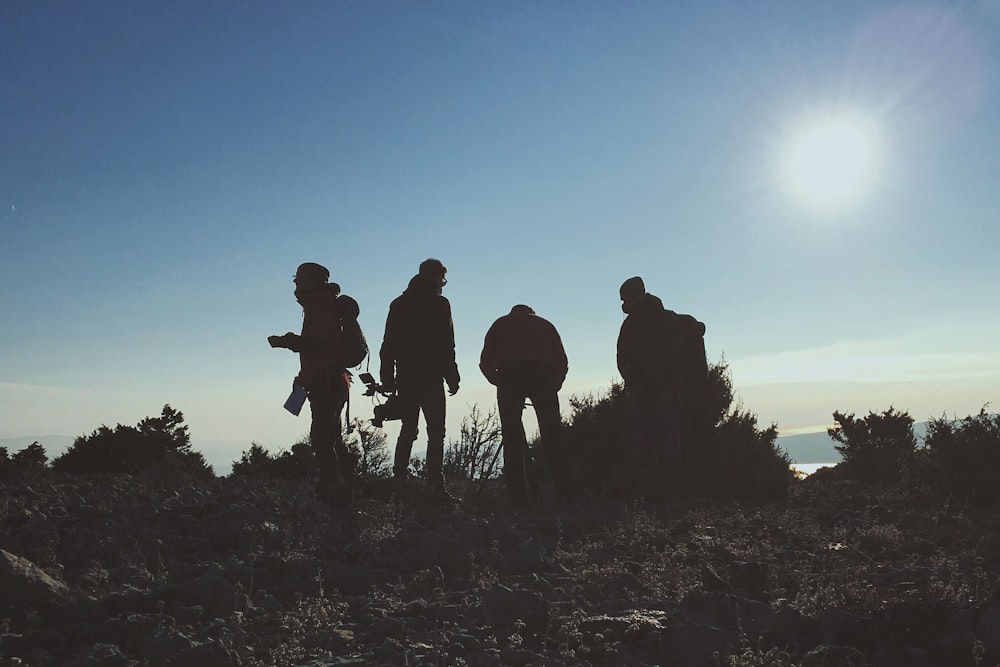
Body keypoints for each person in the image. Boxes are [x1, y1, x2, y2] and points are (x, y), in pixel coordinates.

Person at [268, 262, 355, 507]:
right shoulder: (319, 306)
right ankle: (345, 482)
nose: (296, 282)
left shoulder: (321, 308)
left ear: (316, 281)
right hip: (329, 379)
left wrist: (287, 341)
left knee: (321, 438)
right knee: (332, 436)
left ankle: (333, 488)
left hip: (326, 380)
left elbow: (318, 344)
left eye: (301, 278)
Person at [616, 276, 707, 495]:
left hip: (652, 388)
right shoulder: (670, 319)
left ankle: (651, 490)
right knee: (667, 436)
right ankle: (669, 490)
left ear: (635, 297)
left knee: (648, 438)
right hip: (666, 387)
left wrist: (631, 379)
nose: (622, 304)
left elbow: (623, 356)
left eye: (625, 299)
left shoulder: (636, 324)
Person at [379, 258, 461, 501]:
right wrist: (452, 376)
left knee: (408, 429)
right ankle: (436, 486)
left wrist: (387, 378)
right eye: (442, 279)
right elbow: (447, 343)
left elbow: (388, 344)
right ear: (436, 277)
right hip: (431, 377)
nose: (443, 284)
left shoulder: (399, 303)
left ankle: (399, 481)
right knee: (436, 433)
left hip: (405, 377)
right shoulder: (440, 304)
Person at [480, 305, 569, 505]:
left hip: (510, 375)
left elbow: (485, 361)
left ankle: (518, 494)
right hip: (543, 375)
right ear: (532, 312)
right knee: (552, 432)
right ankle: (563, 489)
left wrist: (498, 380)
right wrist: (556, 383)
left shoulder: (500, 324)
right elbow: (562, 360)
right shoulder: (546, 325)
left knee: (511, 435)